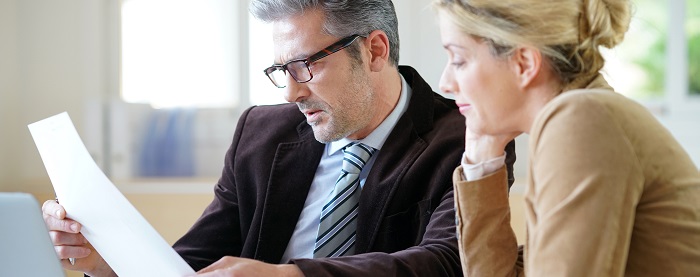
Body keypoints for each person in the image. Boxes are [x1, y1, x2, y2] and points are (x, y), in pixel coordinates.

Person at [42, 0, 517, 276]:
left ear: (374, 50)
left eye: (304, 66)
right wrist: (109, 263)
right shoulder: (261, 134)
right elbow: (193, 262)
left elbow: (445, 263)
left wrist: (291, 276)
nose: (291, 92)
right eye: (279, 71)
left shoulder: (465, 136)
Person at [432, 0, 700, 276]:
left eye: (458, 60)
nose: (445, 83)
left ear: (524, 63)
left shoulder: (582, 119)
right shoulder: (579, 117)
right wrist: (482, 153)